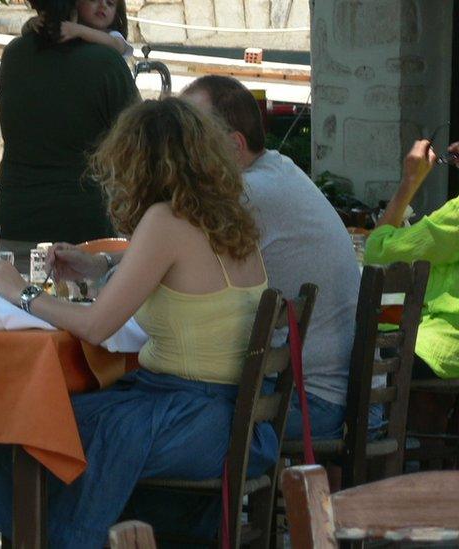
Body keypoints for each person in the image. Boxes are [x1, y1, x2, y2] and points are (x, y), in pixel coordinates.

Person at [0, 98, 278, 548]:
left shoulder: (166, 220)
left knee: (22, 427)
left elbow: (96, 326)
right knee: (48, 422)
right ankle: (79, 536)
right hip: (233, 420)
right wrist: (96, 269)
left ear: (138, 163)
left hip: (192, 419)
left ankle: (60, 540)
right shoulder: (225, 216)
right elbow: (173, 276)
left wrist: (19, 291)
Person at [178, 75, 362, 441]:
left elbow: (171, 268)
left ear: (234, 146)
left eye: (190, 133)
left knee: (160, 418)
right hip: (331, 394)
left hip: (308, 402)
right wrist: (105, 263)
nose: (180, 145)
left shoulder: (249, 193)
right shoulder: (279, 169)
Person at [0, 0, 137, 254]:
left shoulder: (14, 53)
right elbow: (141, 139)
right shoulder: (106, 63)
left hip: (14, 225)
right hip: (83, 236)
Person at [364, 139, 458, 380]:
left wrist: (410, 180)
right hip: (437, 338)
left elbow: (378, 250)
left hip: (441, 346)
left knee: (358, 344)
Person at [56, 0, 133, 58]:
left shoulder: (113, 35)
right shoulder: (70, 29)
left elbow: (118, 46)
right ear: (77, 3)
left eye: (110, 3)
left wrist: (79, 30)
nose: (103, 5)